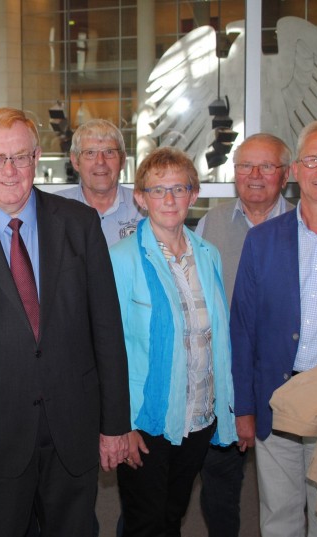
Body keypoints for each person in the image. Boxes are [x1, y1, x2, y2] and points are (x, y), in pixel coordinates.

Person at [0, 107, 131, 537]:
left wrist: (115, 424)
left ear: (37, 158)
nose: (10, 169)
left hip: (73, 426)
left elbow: (107, 330)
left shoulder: (79, 223)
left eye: (20, 156)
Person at [231, 120, 317, 537]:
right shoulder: (263, 240)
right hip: (278, 398)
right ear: (294, 171)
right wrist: (244, 406)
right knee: (279, 515)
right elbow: (243, 329)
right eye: (313, 160)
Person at [108, 147, 236, 536]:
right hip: (145, 420)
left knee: (172, 515)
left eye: (178, 189)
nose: (168, 199)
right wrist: (120, 424)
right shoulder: (121, 258)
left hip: (198, 414)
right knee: (144, 521)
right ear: (141, 198)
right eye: (157, 190)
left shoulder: (208, 254)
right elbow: (110, 348)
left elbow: (217, 338)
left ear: (193, 195)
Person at [192, 133, 293, 537]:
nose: (254, 176)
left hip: (284, 372)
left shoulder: (302, 224)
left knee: (294, 482)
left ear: (284, 175)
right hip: (224, 374)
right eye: (244, 167)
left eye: (266, 166)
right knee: (220, 478)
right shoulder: (209, 223)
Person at [56, 119, 142, 246]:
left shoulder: (144, 207)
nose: (101, 161)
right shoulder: (56, 209)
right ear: (75, 161)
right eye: (90, 153)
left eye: (109, 152)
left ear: (123, 160)